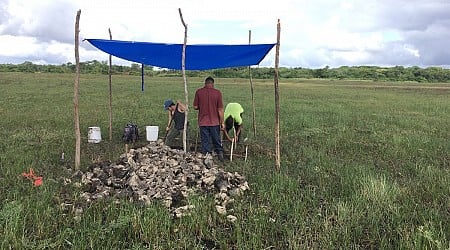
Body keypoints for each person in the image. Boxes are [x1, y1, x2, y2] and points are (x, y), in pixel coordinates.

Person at [193, 76, 225, 162]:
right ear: (213, 84)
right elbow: (220, 109)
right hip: (214, 121)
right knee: (216, 139)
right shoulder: (217, 93)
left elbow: (195, 106)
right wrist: (222, 122)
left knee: (205, 141)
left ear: (205, 83)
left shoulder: (199, 92)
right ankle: (220, 154)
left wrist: (201, 106)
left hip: (203, 121)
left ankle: (207, 158)